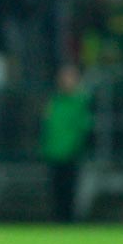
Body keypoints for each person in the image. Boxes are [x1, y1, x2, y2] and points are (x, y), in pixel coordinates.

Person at [40, 63, 92, 223]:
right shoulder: (54, 101)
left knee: (70, 190)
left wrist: (75, 147)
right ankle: (58, 220)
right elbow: (48, 127)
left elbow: (84, 127)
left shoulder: (81, 102)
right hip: (53, 153)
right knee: (55, 190)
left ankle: (70, 221)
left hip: (71, 154)